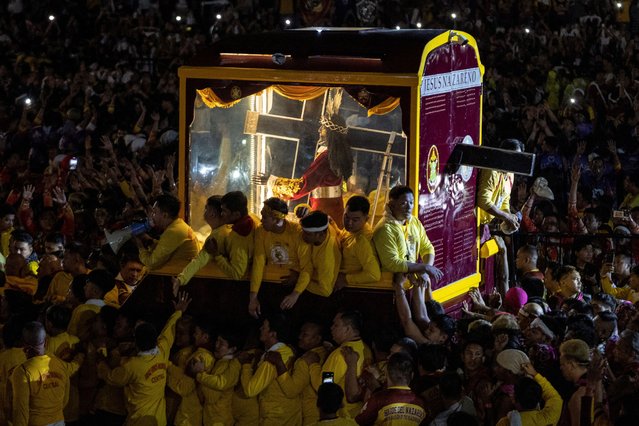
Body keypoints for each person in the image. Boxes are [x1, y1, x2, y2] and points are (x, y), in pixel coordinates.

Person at [97, 292, 191, 426]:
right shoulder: (162, 351)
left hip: (138, 420)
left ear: (136, 341)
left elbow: (112, 378)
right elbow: (168, 330)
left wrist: (101, 360)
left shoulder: (132, 365)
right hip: (158, 420)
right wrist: (178, 312)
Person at [263, 102, 353, 227]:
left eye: (323, 127)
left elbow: (301, 186)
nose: (319, 130)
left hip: (324, 215)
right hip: (335, 210)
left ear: (330, 132)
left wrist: (272, 182)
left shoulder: (326, 159)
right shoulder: (339, 154)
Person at [248, 197, 312, 318]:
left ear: (276, 219)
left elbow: (307, 266)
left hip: (294, 287)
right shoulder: (261, 232)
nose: (261, 220)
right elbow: (258, 262)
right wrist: (253, 297)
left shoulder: (297, 232)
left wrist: (295, 294)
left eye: (264, 217)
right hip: (270, 285)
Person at [11, 321, 83, 426]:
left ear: (23, 343)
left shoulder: (22, 371)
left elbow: (21, 410)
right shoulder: (59, 364)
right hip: (59, 421)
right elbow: (65, 398)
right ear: (45, 341)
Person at [476, 138, 525, 295]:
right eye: (513, 156)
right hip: (474, 222)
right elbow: (483, 201)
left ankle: (504, 297)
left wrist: (509, 217)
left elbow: (504, 202)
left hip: (485, 225)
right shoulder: (493, 169)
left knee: (501, 251)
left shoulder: (509, 174)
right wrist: (506, 216)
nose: (516, 161)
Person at [372, 185, 443, 285]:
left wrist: (425, 272)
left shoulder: (414, 222)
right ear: (391, 205)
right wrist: (423, 267)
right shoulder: (385, 229)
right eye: (403, 203)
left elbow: (427, 247)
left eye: (411, 202)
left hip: (412, 283)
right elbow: (392, 263)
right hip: (391, 286)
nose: (409, 207)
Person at [239, 314, 301, 425]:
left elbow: (250, 390)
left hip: (276, 417)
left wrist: (246, 365)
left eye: (264, 327)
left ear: (273, 333)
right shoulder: (286, 351)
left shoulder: (272, 359)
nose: (260, 329)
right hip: (289, 414)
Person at [264, 321, 329, 425]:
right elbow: (329, 383)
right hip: (327, 413)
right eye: (300, 333)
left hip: (312, 416)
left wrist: (279, 363)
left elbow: (291, 390)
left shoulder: (306, 360)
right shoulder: (328, 354)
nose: (299, 337)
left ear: (317, 339)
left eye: (305, 334)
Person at [310, 311, 372, 418]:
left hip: (344, 415)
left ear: (348, 329)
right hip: (360, 413)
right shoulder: (366, 349)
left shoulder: (340, 354)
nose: (331, 328)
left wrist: (313, 365)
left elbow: (323, 386)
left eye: (336, 325)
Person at [281, 211, 341, 309]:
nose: (302, 235)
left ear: (320, 234)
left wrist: (298, 282)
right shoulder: (324, 227)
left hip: (319, 299)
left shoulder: (325, 258)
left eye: (307, 234)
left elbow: (325, 291)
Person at [172, 195, 230, 290]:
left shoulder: (215, 237)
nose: (204, 212)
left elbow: (199, 261)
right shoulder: (225, 230)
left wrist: (180, 279)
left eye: (206, 209)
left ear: (212, 214)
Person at [355, 352, 426, 425]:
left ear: (386, 374)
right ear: (412, 375)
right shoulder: (421, 403)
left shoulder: (378, 399)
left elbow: (360, 422)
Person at [136, 193, 199, 272]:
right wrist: (149, 241)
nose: (152, 216)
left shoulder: (173, 232)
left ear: (165, 215)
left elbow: (152, 263)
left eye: (154, 212)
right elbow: (164, 248)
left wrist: (140, 247)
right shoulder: (178, 225)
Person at [335, 195, 381, 290]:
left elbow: (374, 274)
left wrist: (346, 279)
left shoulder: (361, 242)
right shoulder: (352, 230)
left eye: (355, 220)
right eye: (346, 217)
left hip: (352, 289)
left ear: (366, 219)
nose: (349, 223)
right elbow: (343, 238)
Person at [495, 362, 562, 426]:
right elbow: (554, 397)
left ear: (514, 399)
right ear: (539, 399)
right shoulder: (548, 417)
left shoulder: (506, 423)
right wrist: (535, 374)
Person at [67, 269, 116, 342]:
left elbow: (71, 335)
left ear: (95, 290)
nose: (84, 287)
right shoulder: (112, 309)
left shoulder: (81, 309)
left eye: (87, 284)